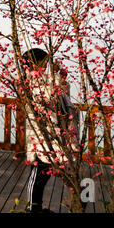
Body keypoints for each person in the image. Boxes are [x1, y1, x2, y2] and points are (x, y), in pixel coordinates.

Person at [20, 48, 78, 213]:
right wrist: (58, 75)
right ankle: (33, 208)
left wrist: (59, 72)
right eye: (44, 62)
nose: (46, 66)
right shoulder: (33, 82)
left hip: (52, 134)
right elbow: (51, 95)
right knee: (38, 174)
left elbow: (61, 90)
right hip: (42, 135)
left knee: (43, 174)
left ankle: (35, 207)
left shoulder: (45, 80)